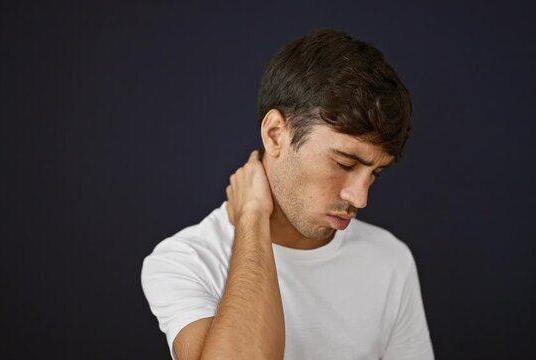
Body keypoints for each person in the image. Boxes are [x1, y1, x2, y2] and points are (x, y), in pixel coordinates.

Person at [141, 29, 434, 360]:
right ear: (276, 134)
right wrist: (252, 216)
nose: (360, 198)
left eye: (375, 174)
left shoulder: (390, 259)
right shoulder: (186, 260)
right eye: (344, 163)